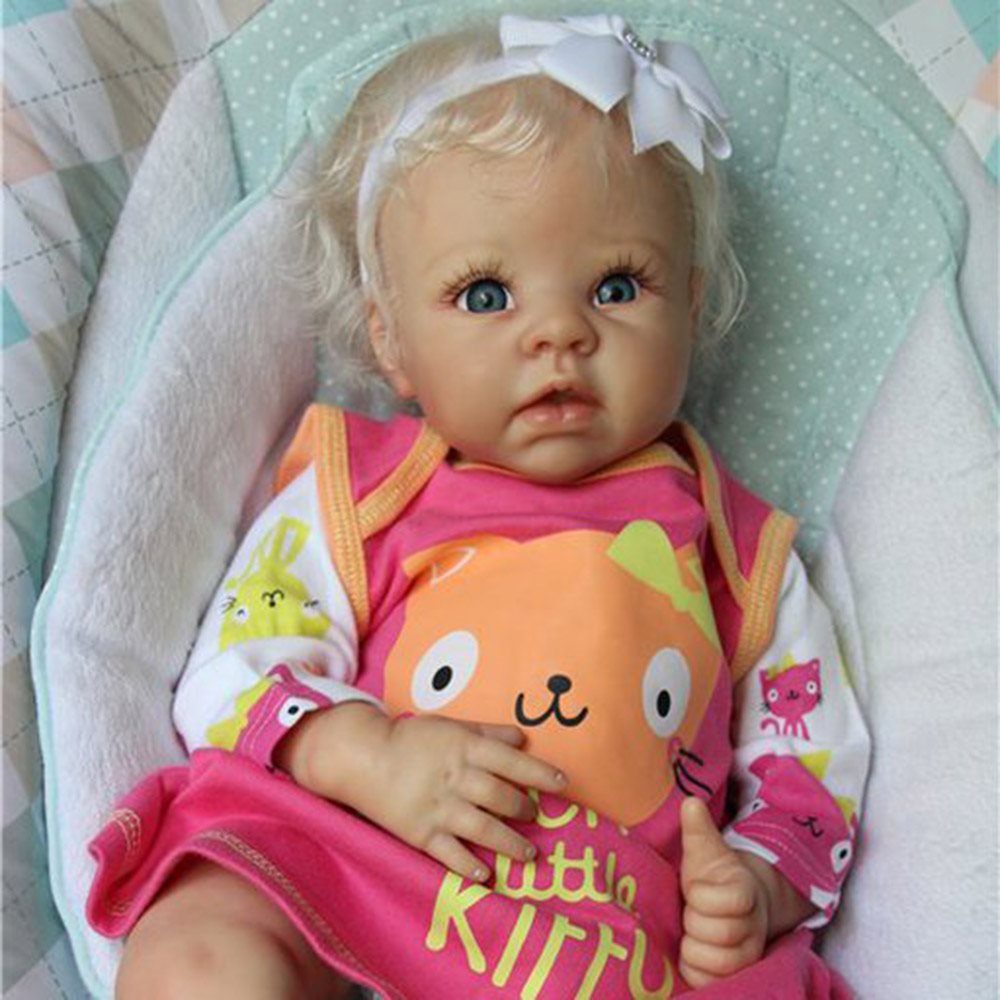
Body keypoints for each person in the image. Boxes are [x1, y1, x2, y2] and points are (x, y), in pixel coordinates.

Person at [88, 14, 870, 998]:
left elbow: (814, 759)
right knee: (204, 936)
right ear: (390, 340)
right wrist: (364, 755)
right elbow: (234, 673)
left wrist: (756, 886)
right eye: (486, 295)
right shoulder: (362, 492)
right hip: (364, 868)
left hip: (607, 941)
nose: (558, 333)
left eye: (617, 284)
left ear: (691, 301)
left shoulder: (739, 549)